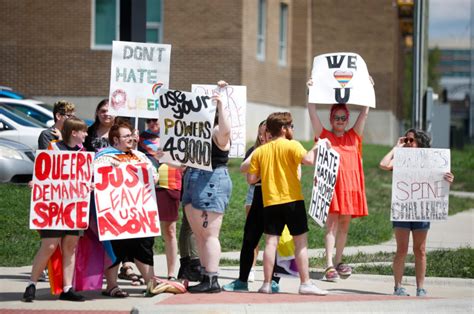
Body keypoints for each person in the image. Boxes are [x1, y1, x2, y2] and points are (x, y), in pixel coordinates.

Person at [247, 112, 327, 295]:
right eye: (290, 126)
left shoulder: (260, 150)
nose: (291, 129)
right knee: (300, 243)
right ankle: (305, 283)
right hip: (292, 200)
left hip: (270, 201)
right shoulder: (293, 145)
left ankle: (266, 284)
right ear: (283, 129)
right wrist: (317, 146)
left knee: (270, 243)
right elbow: (308, 160)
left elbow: (251, 179)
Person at [307, 78, 370, 282]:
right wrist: (311, 92)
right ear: (332, 118)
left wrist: (368, 88)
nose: (341, 121)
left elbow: (365, 112)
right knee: (331, 226)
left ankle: (339, 260)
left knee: (344, 226)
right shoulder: (324, 135)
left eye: (344, 117)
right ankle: (328, 265)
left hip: (351, 188)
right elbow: (312, 113)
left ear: (348, 119)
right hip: (332, 188)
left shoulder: (354, 135)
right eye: (337, 117)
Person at [379, 129, 454, 297]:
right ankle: (398, 287)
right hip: (403, 209)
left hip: (422, 210)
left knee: (420, 249)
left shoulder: (433, 160)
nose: (407, 143)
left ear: (420, 142)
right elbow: (384, 164)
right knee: (402, 249)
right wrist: (396, 148)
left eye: (410, 140)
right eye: (406, 140)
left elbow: (441, 179)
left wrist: (449, 179)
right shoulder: (401, 159)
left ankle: (421, 288)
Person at [22, 117, 88, 302]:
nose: (86, 134)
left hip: (74, 206)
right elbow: (43, 171)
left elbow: (83, 177)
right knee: (49, 245)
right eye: (83, 131)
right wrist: (36, 182)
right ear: (74, 132)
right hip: (54, 206)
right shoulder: (53, 148)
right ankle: (31, 284)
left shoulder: (83, 152)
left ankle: (67, 288)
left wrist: (88, 186)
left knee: (70, 246)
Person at [94, 121, 159, 297]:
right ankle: (112, 286)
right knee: (116, 247)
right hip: (115, 214)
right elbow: (96, 176)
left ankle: (150, 284)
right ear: (115, 140)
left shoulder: (140, 156)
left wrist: (151, 175)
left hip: (140, 213)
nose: (131, 139)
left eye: (131, 135)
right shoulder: (104, 157)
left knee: (144, 245)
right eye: (126, 136)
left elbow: (154, 176)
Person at [183, 81, 233, 293]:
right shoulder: (193, 133)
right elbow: (180, 160)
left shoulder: (215, 132)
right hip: (192, 178)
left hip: (211, 178)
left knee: (210, 233)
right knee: (199, 234)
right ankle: (205, 275)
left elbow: (225, 130)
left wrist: (221, 104)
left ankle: (212, 279)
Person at [223, 120, 281, 292]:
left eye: (267, 134)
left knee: (274, 239)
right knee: (250, 238)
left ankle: (274, 280)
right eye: (261, 134)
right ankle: (242, 280)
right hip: (258, 194)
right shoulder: (256, 151)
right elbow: (250, 178)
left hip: (277, 196)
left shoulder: (280, 149)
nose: (263, 137)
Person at [138, 118, 183, 280]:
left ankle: (171, 273)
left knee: (170, 230)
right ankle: (150, 275)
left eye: (155, 120)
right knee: (147, 234)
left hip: (170, 183)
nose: (151, 123)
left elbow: (183, 162)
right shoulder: (140, 137)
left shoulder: (174, 136)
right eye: (148, 120)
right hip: (146, 186)